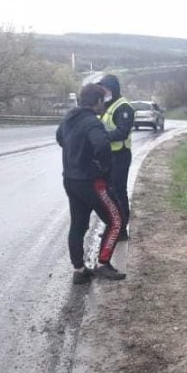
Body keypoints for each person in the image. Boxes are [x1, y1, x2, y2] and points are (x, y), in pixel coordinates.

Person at [56, 83, 128, 284]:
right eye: (103, 102)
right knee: (116, 220)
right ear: (97, 102)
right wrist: (103, 170)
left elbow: (60, 138)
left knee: (78, 224)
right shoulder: (93, 123)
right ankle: (103, 264)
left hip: (71, 180)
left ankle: (79, 270)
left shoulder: (69, 119)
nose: (104, 106)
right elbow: (102, 147)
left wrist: (77, 154)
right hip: (92, 182)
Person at [96, 74, 135, 241]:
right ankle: (113, 225)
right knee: (109, 193)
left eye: (104, 88)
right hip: (108, 155)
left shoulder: (123, 107)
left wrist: (101, 136)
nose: (102, 92)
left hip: (120, 155)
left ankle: (121, 230)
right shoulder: (106, 105)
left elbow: (122, 132)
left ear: (111, 88)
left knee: (119, 192)